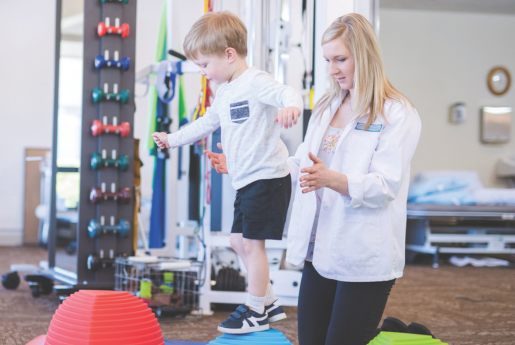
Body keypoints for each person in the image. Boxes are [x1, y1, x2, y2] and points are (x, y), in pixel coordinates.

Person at [205, 13, 422, 345]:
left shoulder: (396, 113)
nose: (332, 69)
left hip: (362, 256)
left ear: (363, 56)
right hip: (318, 251)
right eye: (327, 60)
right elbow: (297, 165)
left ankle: (405, 338)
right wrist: (245, 166)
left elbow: (386, 186)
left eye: (341, 59)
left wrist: (331, 179)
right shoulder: (326, 107)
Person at [151, 11, 303, 334]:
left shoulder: (255, 81)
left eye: (205, 65)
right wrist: (171, 140)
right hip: (247, 181)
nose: (203, 73)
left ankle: (255, 309)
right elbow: (206, 124)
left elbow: (287, 93)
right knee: (237, 241)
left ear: (229, 55)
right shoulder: (224, 93)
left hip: (269, 179)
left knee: (252, 245)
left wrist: (292, 106)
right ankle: (270, 302)